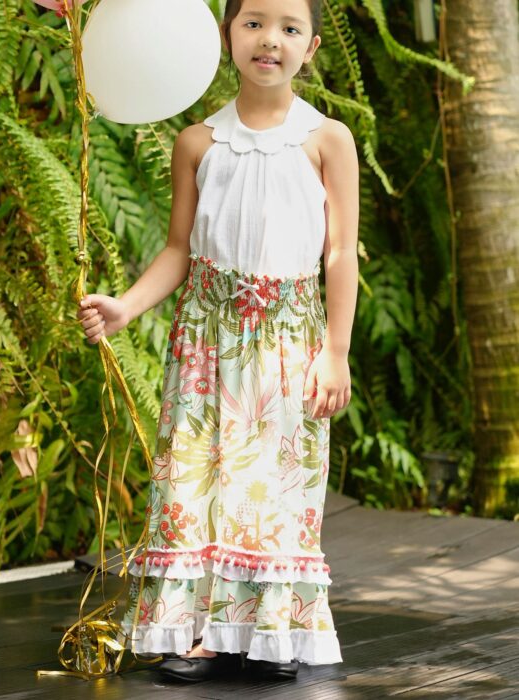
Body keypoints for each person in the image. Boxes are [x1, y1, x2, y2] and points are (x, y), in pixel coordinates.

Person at [76, 0, 358, 683]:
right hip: (205, 341)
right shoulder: (198, 142)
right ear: (226, 36)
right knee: (196, 482)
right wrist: (125, 307)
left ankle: (268, 632)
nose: (271, 39)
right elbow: (179, 249)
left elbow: (341, 251)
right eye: (254, 23)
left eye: (290, 28)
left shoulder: (327, 140)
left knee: (272, 488)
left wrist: (337, 350)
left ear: (312, 47)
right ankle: (202, 631)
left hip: (289, 342)